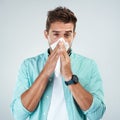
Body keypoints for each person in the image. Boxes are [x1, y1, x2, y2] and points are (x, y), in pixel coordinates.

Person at [10, 6, 106, 120]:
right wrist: (45, 73)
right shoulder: (28, 65)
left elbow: (97, 114)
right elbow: (18, 114)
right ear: (46, 34)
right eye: (56, 34)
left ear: (73, 35)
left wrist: (69, 77)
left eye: (67, 35)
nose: (61, 41)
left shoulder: (89, 66)